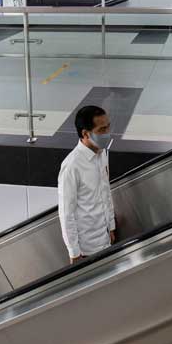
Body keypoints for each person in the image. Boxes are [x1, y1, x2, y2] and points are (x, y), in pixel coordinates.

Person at [58, 105, 117, 264]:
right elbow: (66, 213)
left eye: (108, 127)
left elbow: (106, 191)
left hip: (106, 239)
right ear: (85, 133)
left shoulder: (102, 153)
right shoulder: (72, 166)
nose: (107, 133)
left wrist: (111, 226)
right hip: (87, 250)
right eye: (102, 130)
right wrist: (74, 253)